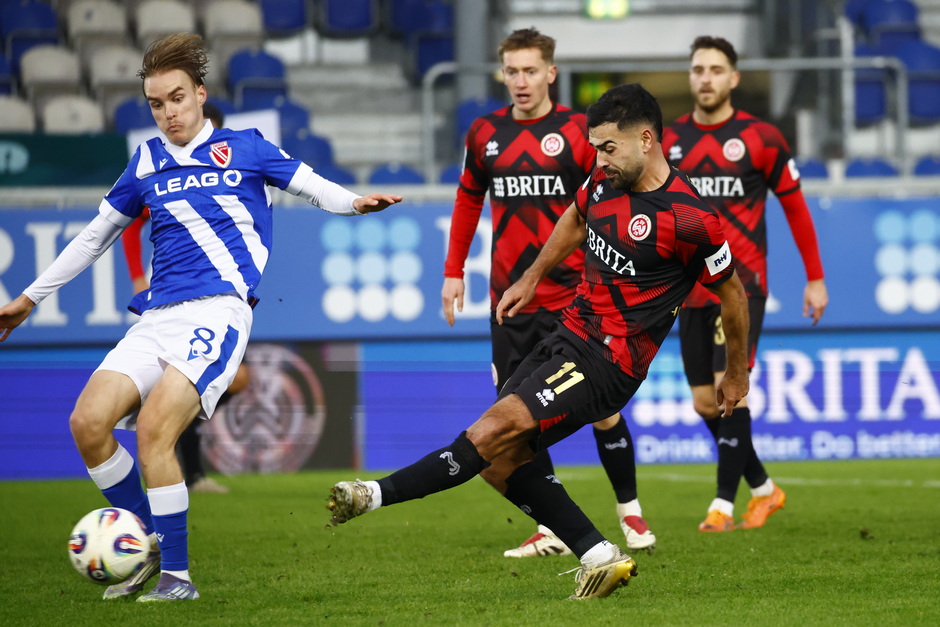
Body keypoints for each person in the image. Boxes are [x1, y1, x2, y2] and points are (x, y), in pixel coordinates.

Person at [0, 33, 401, 602]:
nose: (169, 113)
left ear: (200, 94)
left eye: (178, 99)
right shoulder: (145, 162)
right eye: (156, 104)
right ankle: (146, 542)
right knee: (88, 424)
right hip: (156, 316)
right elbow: (95, 237)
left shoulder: (246, 147)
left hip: (218, 310)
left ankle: (177, 579)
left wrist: (354, 201)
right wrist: (30, 298)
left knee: (154, 434)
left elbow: (312, 186)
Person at [329, 83, 750, 600]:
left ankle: (369, 496)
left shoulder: (690, 217)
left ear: (646, 139)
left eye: (608, 147)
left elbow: (733, 295)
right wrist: (531, 276)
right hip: (568, 333)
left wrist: (736, 371)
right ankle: (598, 556)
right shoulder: (604, 180)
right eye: (595, 147)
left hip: (609, 362)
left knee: (490, 433)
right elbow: (575, 217)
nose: (598, 158)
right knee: (497, 460)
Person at [441, 27, 656, 559]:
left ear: (551, 73)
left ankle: (630, 512)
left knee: (603, 412)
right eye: (511, 71)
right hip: (509, 299)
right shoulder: (484, 134)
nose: (520, 81)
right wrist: (453, 270)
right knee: (517, 415)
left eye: (530, 70)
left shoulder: (580, 135)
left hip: (574, 298)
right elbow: (469, 202)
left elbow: (604, 204)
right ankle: (554, 529)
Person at [661, 36, 829, 532]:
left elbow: (796, 210)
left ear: (733, 78)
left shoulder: (762, 138)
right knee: (702, 402)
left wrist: (815, 278)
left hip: (741, 284)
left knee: (727, 388)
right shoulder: (667, 142)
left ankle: (722, 506)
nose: (705, 78)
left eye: (715, 69)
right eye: (697, 69)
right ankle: (764, 489)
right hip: (687, 288)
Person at [121, 101, 243, 495]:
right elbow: (128, 224)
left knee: (234, 380)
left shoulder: (229, 173)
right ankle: (185, 471)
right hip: (169, 301)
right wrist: (138, 277)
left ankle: (179, 452)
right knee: (184, 387)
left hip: (219, 300)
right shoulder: (166, 173)